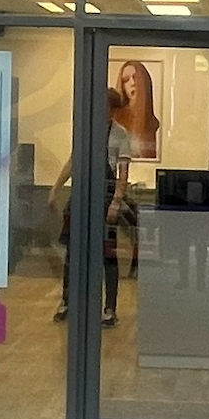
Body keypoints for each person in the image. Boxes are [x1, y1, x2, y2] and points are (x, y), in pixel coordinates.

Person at [54, 86, 133, 325]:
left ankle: (109, 309)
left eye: (105, 106)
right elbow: (73, 161)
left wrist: (116, 202)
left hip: (105, 197)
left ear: (112, 109)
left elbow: (123, 173)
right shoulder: (84, 131)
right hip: (80, 195)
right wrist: (55, 188)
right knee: (72, 251)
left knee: (107, 254)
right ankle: (68, 301)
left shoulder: (120, 134)